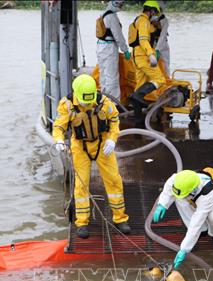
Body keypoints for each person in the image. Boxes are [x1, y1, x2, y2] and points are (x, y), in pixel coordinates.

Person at [53, 74, 131, 239]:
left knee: (114, 180)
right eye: (84, 102)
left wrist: (112, 139)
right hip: (80, 147)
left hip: (103, 145)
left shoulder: (105, 103)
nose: (87, 105)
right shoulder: (67, 105)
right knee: (81, 184)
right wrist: (59, 140)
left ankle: (120, 219)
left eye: (90, 102)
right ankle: (82, 222)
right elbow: (59, 126)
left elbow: (114, 120)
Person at [152, 169, 213, 270]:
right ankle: (203, 230)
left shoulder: (209, 193)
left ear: (193, 190)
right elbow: (169, 186)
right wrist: (162, 204)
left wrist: (184, 249)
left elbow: (196, 223)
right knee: (180, 198)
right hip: (200, 202)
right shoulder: (181, 180)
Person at [127, 0, 167, 127]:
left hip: (137, 56)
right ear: (151, 11)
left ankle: (138, 120)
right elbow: (143, 40)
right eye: (155, 12)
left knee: (140, 84)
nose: (155, 15)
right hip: (143, 56)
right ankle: (137, 96)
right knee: (160, 79)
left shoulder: (139, 20)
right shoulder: (144, 20)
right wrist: (151, 54)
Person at [96, 0, 131, 100]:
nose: (121, 6)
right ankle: (114, 104)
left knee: (103, 75)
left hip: (100, 46)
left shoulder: (102, 14)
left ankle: (103, 100)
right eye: (120, 4)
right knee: (112, 77)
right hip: (109, 48)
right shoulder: (111, 17)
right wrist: (125, 50)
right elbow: (118, 35)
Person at [152, 0, 170, 76]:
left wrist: (158, 49)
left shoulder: (164, 20)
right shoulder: (149, 18)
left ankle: (167, 82)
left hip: (162, 45)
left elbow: (162, 36)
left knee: (165, 65)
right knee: (151, 66)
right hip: (151, 44)